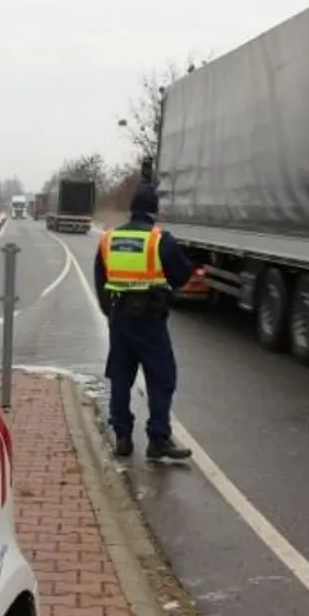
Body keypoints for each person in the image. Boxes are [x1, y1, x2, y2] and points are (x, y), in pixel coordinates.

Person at [94, 184, 194, 460]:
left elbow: (100, 281)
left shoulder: (108, 238)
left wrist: (111, 312)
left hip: (120, 318)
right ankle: (158, 438)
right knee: (162, 377)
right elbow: (182, 275)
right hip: (150, 319)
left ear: (132, 209)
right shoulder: (161, 240)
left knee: (120, 376)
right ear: (153, 210)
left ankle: (123, 437)